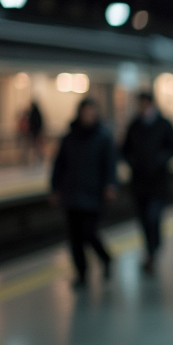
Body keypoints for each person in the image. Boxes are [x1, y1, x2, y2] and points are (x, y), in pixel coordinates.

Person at [50, 98, 117, 287]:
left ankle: (105, 257)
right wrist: (55, 188)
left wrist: (110, 185)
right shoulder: (70, 137)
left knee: (89, 232)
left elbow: (110, 164)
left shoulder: (103, 137)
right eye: (85, 112)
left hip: (93, 194)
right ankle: (81, 273)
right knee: (75, 238)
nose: (88, 116)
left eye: (91, 112)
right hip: (72, 194)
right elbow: (59, 164)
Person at [122, 92, 173, 272]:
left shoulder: (163, 124)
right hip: (139, 183)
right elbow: (124, 149)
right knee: (144, 220)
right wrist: (134, 162)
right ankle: (150, 249)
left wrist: (160, 160)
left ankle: (153, 250)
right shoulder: (134, 125)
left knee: (153, 217)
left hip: (158, 182)